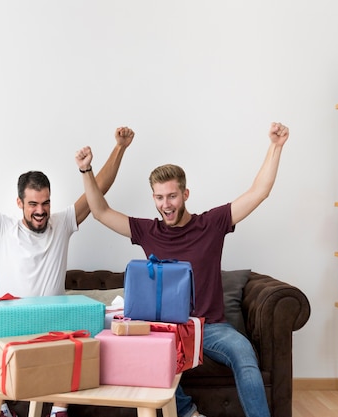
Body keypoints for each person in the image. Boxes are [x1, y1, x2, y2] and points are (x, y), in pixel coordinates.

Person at [74, 122, 289, 417]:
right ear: (153, 198)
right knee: (142, 354)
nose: (166, 204)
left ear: (185, 194)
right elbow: (99, 211)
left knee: (244, 354)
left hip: (210, 328)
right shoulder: (147, 231)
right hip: (167, 330)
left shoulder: (211, 224)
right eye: (160, 198)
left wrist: (276, 146)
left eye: (172, 196)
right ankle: (188, 412)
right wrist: (86, 171)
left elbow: (258, 192)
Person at [0, 117, 134, 417]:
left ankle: (59, 409)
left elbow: (98, 189)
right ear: (20, 203)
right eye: (33, 205)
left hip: (53, 319)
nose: (40, 211)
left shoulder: (62, 223)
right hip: (11, 318)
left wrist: (119, 148)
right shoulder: (0, 227)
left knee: (91, 333)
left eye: (46, 203)